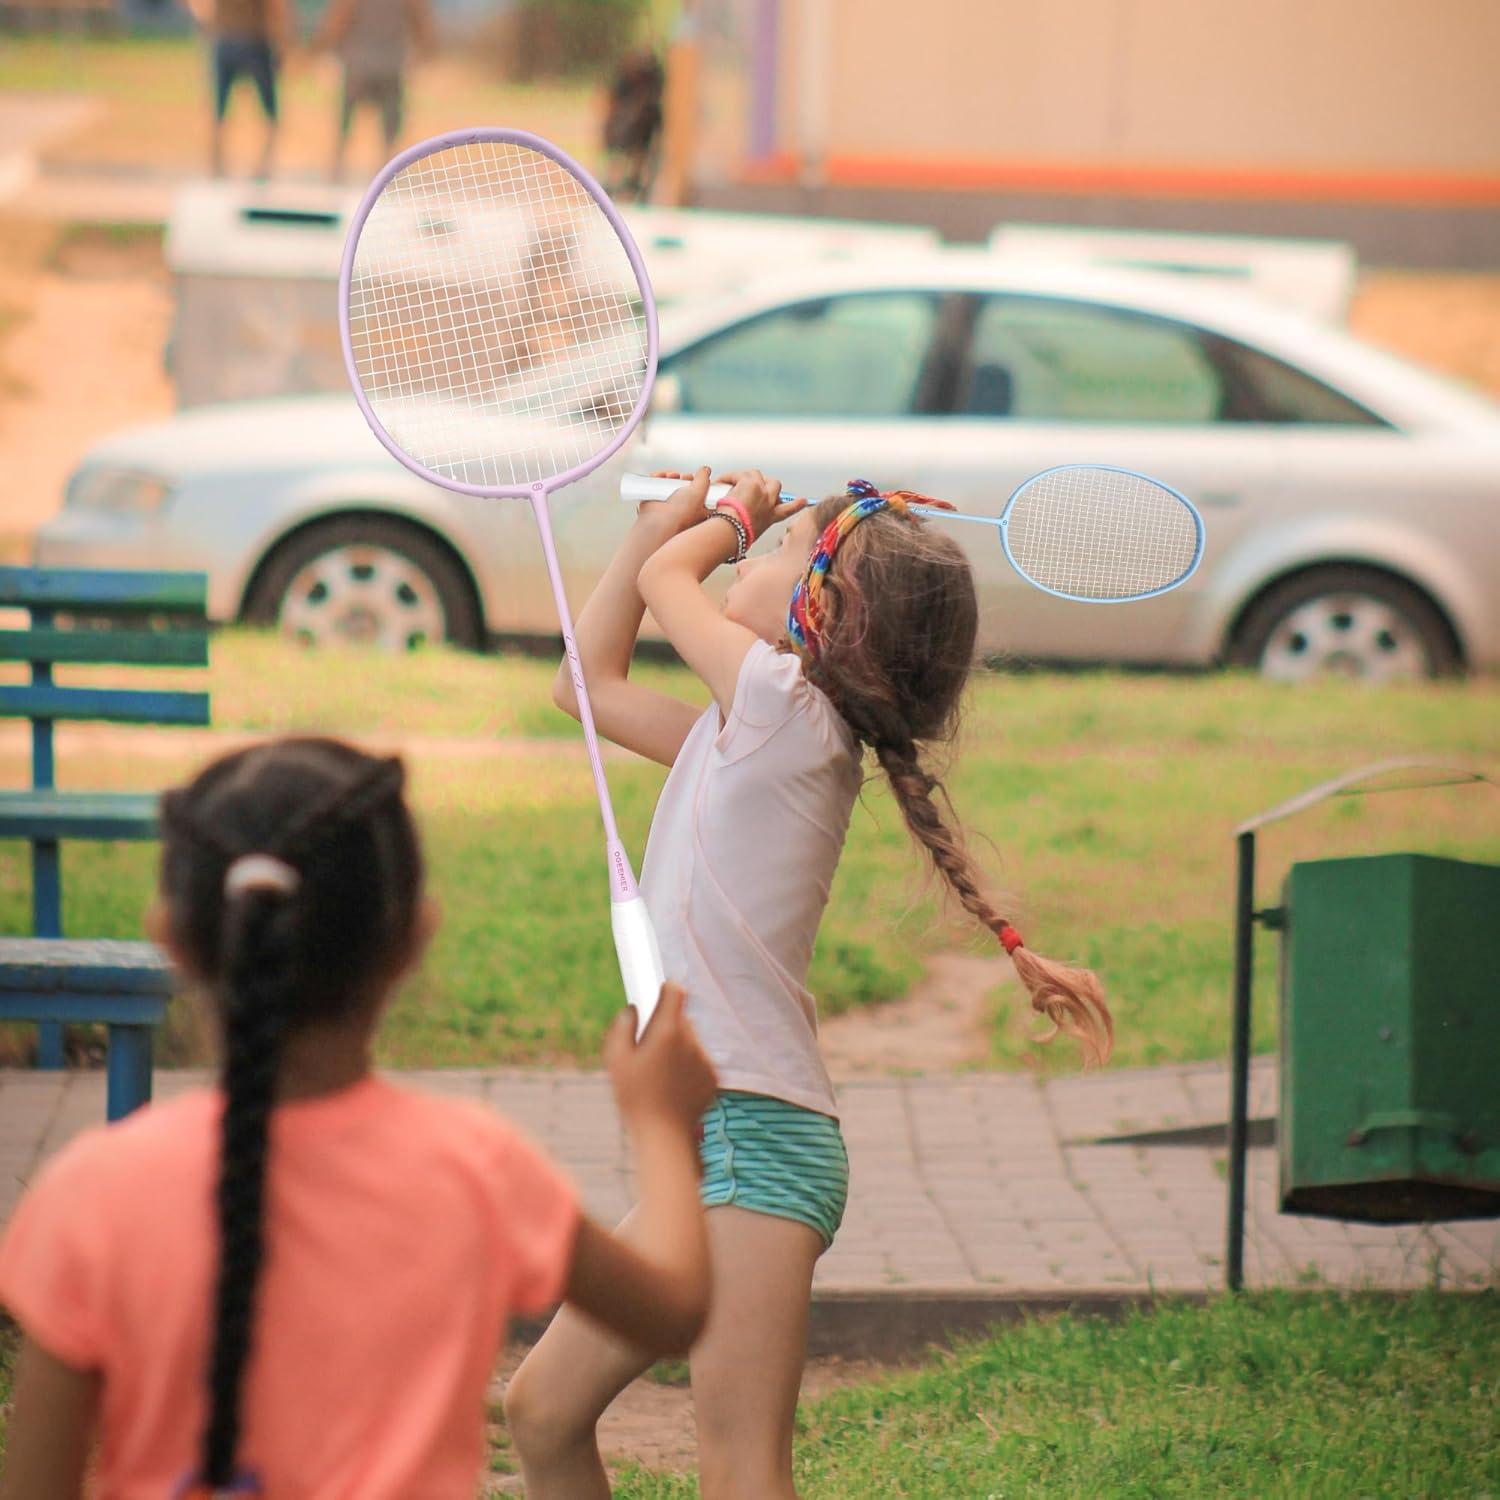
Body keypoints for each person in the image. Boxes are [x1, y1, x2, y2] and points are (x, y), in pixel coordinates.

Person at [506, 469, 1114, 1498]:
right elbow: (585, 684)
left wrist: (717, 516)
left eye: (776, 550)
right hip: (722, 1134)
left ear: (818, 610)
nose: (749, 555)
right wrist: (670, 527)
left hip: (755, 1138)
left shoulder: (785, 714)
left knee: (742, 1468)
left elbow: (668, 577)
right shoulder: (756, 729)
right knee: (543, 1412)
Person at [0, 738, 717, 1499]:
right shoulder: (473, 1169)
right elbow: (672, 1311)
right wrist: (662, 1123)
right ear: (412, 939)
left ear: (171, 937)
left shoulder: (91, 1193)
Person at [315, 0, 435, 182]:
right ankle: (381, 171)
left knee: (351, 118)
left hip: (365, 62)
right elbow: (421, 20)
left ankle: (340, 167)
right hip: (384, 62)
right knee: (386, 122)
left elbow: (339, 18)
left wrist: (327, 45)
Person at [188, 0, 295, 180]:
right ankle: (263, 166)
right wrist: (283, 43)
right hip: (254, 41)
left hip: (225, 39)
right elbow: (276, 9)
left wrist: (208, 24)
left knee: (219, 109)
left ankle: (217, 165)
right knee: (270, 112)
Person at [601, 47, 665, 202]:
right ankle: (616, 184)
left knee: (639, 160)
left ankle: (633, 183)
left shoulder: (651, 106)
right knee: (618, 158)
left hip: (642, 127)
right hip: (625, 127)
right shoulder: (624, 86)